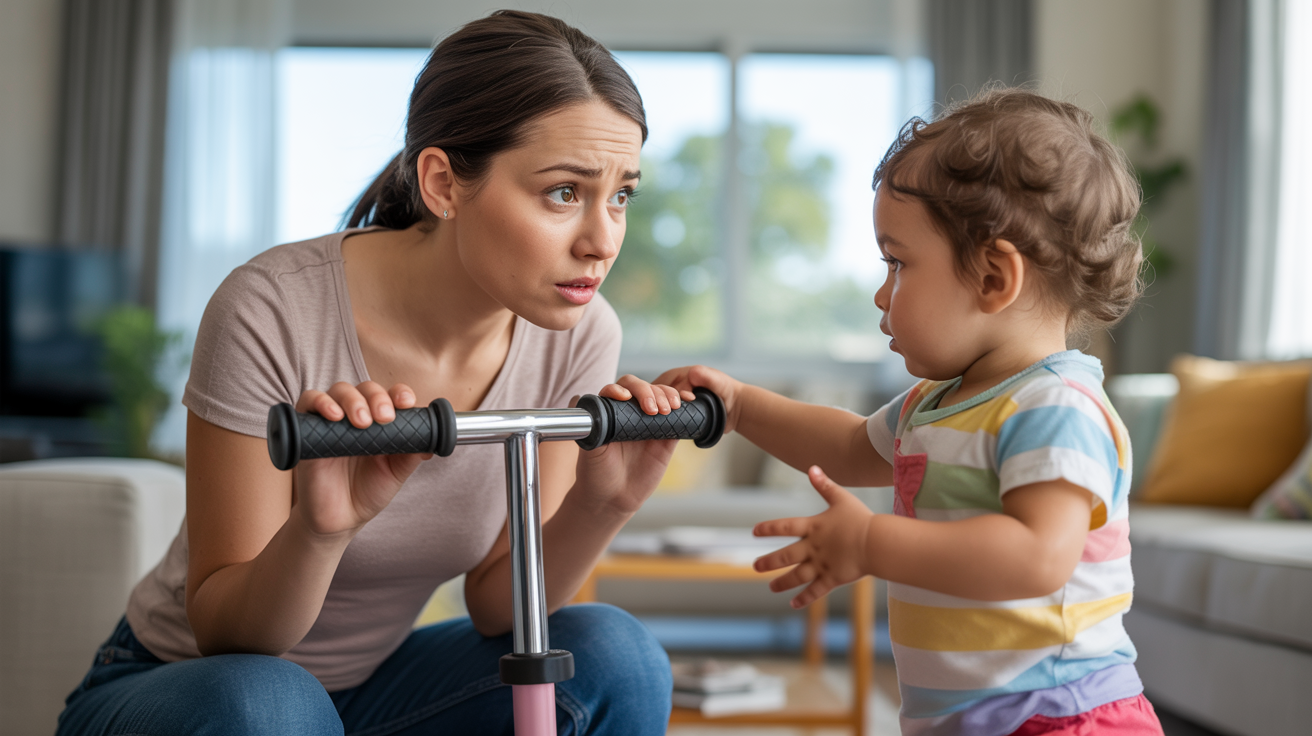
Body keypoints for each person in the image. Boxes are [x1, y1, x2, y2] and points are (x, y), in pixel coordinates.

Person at [58, 11, 690, 736]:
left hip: (376, 694)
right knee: (273, 704)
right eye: (564, 193)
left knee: (615, 654)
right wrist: (319, 530)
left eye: (621, 195)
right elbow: (227, 633)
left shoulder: (577, 332)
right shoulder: (272, 308)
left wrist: (602, 505)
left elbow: (497, 608)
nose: (603, 241)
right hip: (194, 689)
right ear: (443, 183)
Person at [617, 89, 1166, 735]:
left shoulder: (1055, 406)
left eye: (897, 262)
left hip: (1061, 716)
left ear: (994, 277)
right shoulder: (937, 402)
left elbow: (1038, 556)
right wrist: (741, 406)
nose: (881, 294)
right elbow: (849, 447)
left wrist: (871, 542)